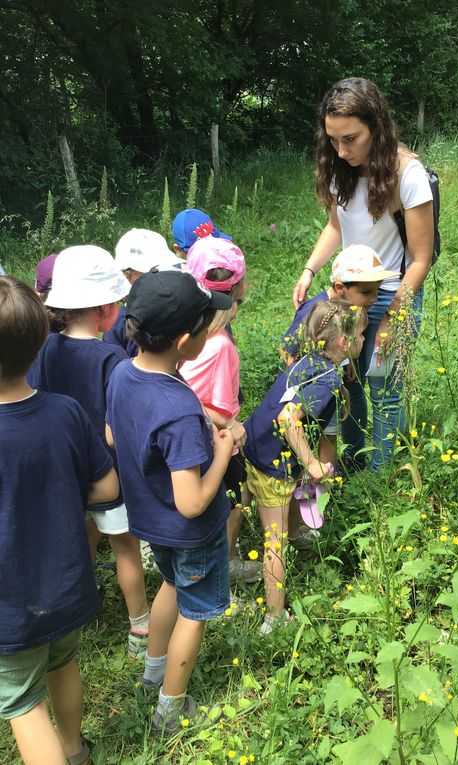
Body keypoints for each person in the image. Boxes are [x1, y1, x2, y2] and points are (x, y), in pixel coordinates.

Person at [105, 269, 234, 735]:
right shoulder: (177, 409)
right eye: (206, 326)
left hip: (150, 524)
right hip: (190, 532)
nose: (213, 331)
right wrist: (221, 450)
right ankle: (170, 708)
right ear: (185, 341)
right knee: (195, 613)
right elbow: (193, 502)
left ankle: (152, 674)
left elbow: (111, 435)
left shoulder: (122, 373)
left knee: (171, 586)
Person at [0, 277, 119, 765]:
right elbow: (108, 488)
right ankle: (74, 749)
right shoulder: (67, 412)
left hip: (11, 602)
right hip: (69, 585)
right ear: (38, 346)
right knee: (63, 664)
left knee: (24, 705)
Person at [292, 77, 434, 470]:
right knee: (347, 379)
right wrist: (309, 270)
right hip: (346, 294)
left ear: (376, 126)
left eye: (350, 138)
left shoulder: (408, 174)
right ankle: (354, 461)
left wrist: (392, 317)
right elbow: (337, 227)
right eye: (333, 139)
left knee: (384, 383)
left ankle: (381, 472)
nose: (341, 149)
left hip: (393, 291)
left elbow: (420, 258)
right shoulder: (341, 168)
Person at [31, 246, 150, 658]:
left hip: (60, 465)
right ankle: (140, 628)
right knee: (126, 549)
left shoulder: (44, 347)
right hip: (106, 471)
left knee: (78, 529)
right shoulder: (112, 358)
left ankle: (80, 599)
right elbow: (115, 432)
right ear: (106, 309)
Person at [243, 300, 368, 634]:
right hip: (272, 461)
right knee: (274, 543)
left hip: (254, 441)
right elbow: (288, 419)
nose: (364, 340)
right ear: (344, 342)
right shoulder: (326, 379)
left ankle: (293, 535)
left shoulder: (310, 361)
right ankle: (274, 620)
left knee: (278, 523)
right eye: (361, 334)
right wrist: (312, 464)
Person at [180, 236, 261, 586]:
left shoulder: (183, 330)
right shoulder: (220, 345)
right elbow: (195, 397)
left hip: (189, 438)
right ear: (239, 288)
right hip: (216, 437)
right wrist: (231, 423)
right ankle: (223, 564)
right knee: (234, 497)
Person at [281, 243, 398, 365]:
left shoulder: (347, 308)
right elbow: (285, 349)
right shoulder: (314, 310)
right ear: (340, 288)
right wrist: (303, 376)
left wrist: (348, 361)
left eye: (377, 290)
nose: (374, 298)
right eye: (366, 292)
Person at [104, 228, 183, 357]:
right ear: (128, 275)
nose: (162, 278)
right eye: (154, 274)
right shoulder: (119, 323)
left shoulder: (172, 308)